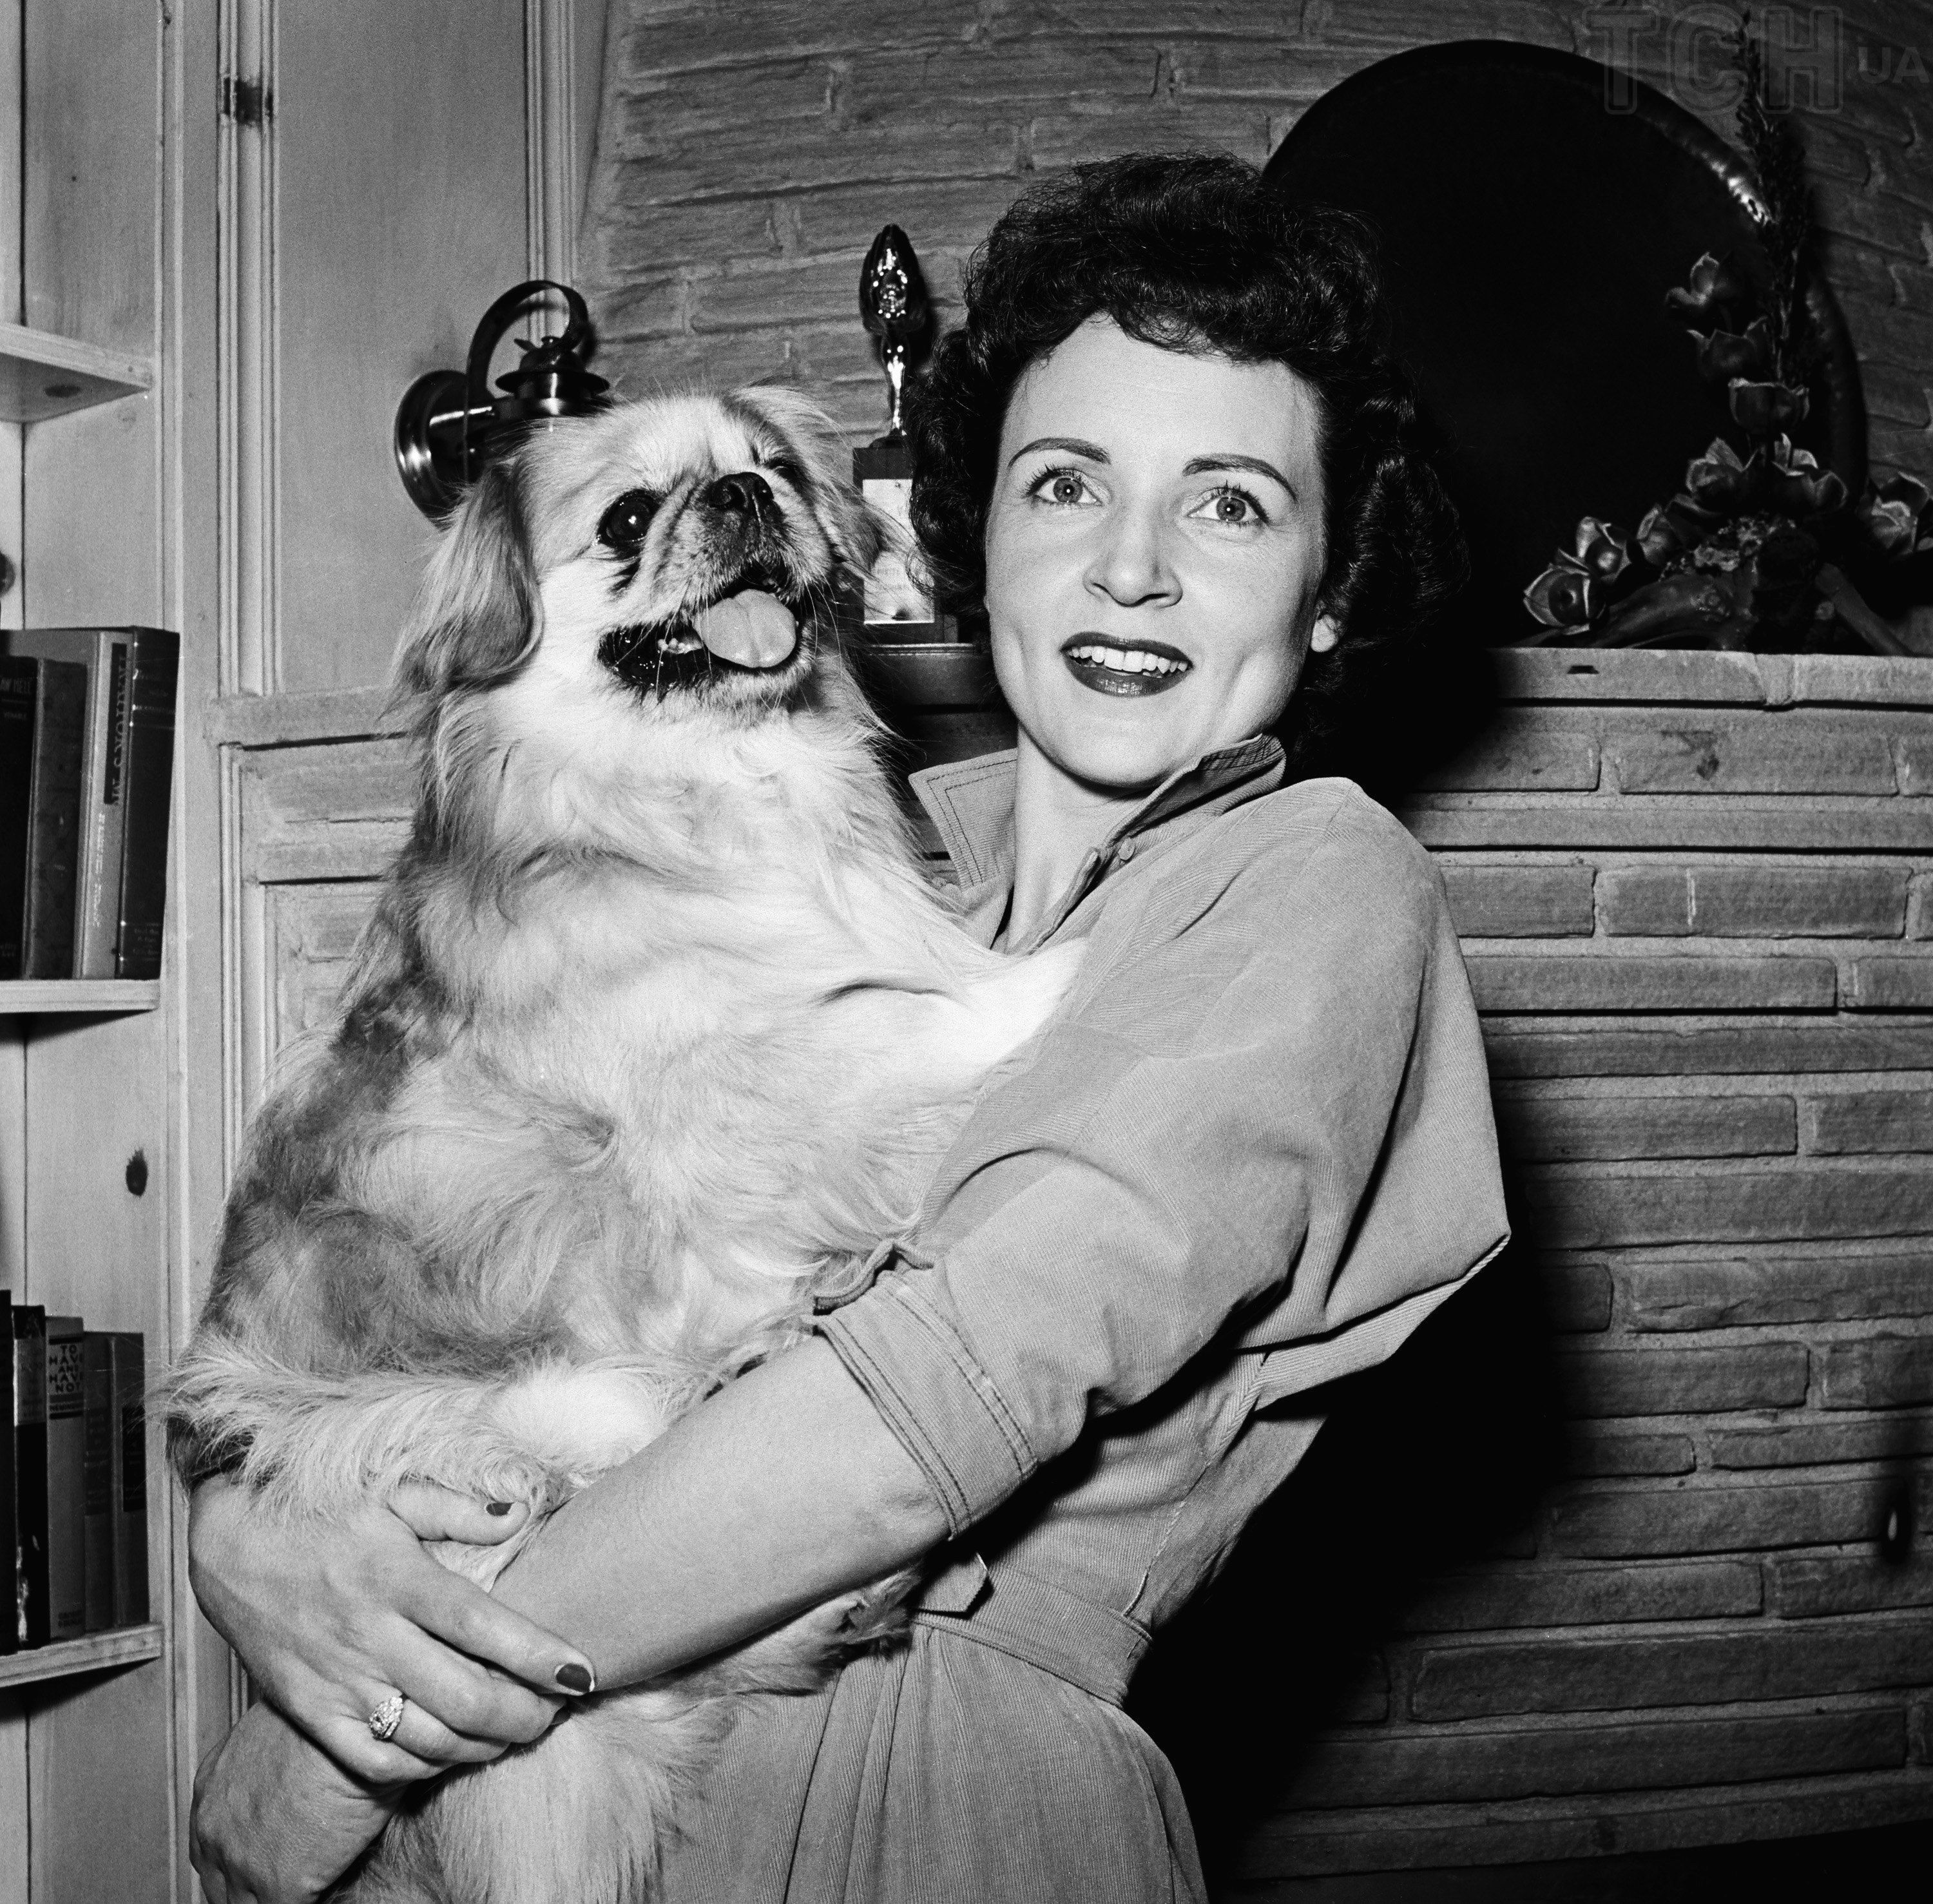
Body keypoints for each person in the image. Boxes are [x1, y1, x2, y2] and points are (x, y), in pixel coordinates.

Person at [188, 149, 1509, 1903]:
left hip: (939, 1805)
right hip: (595, 1787)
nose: (1130, 567)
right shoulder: (876, 866)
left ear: (1329, 590)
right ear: (972, 539)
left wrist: (340, 1744)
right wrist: (247, 1537)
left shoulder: (1315, 886)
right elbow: (425, 1287)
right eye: (1066, 484)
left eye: (1231, 506)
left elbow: (914, 1414)